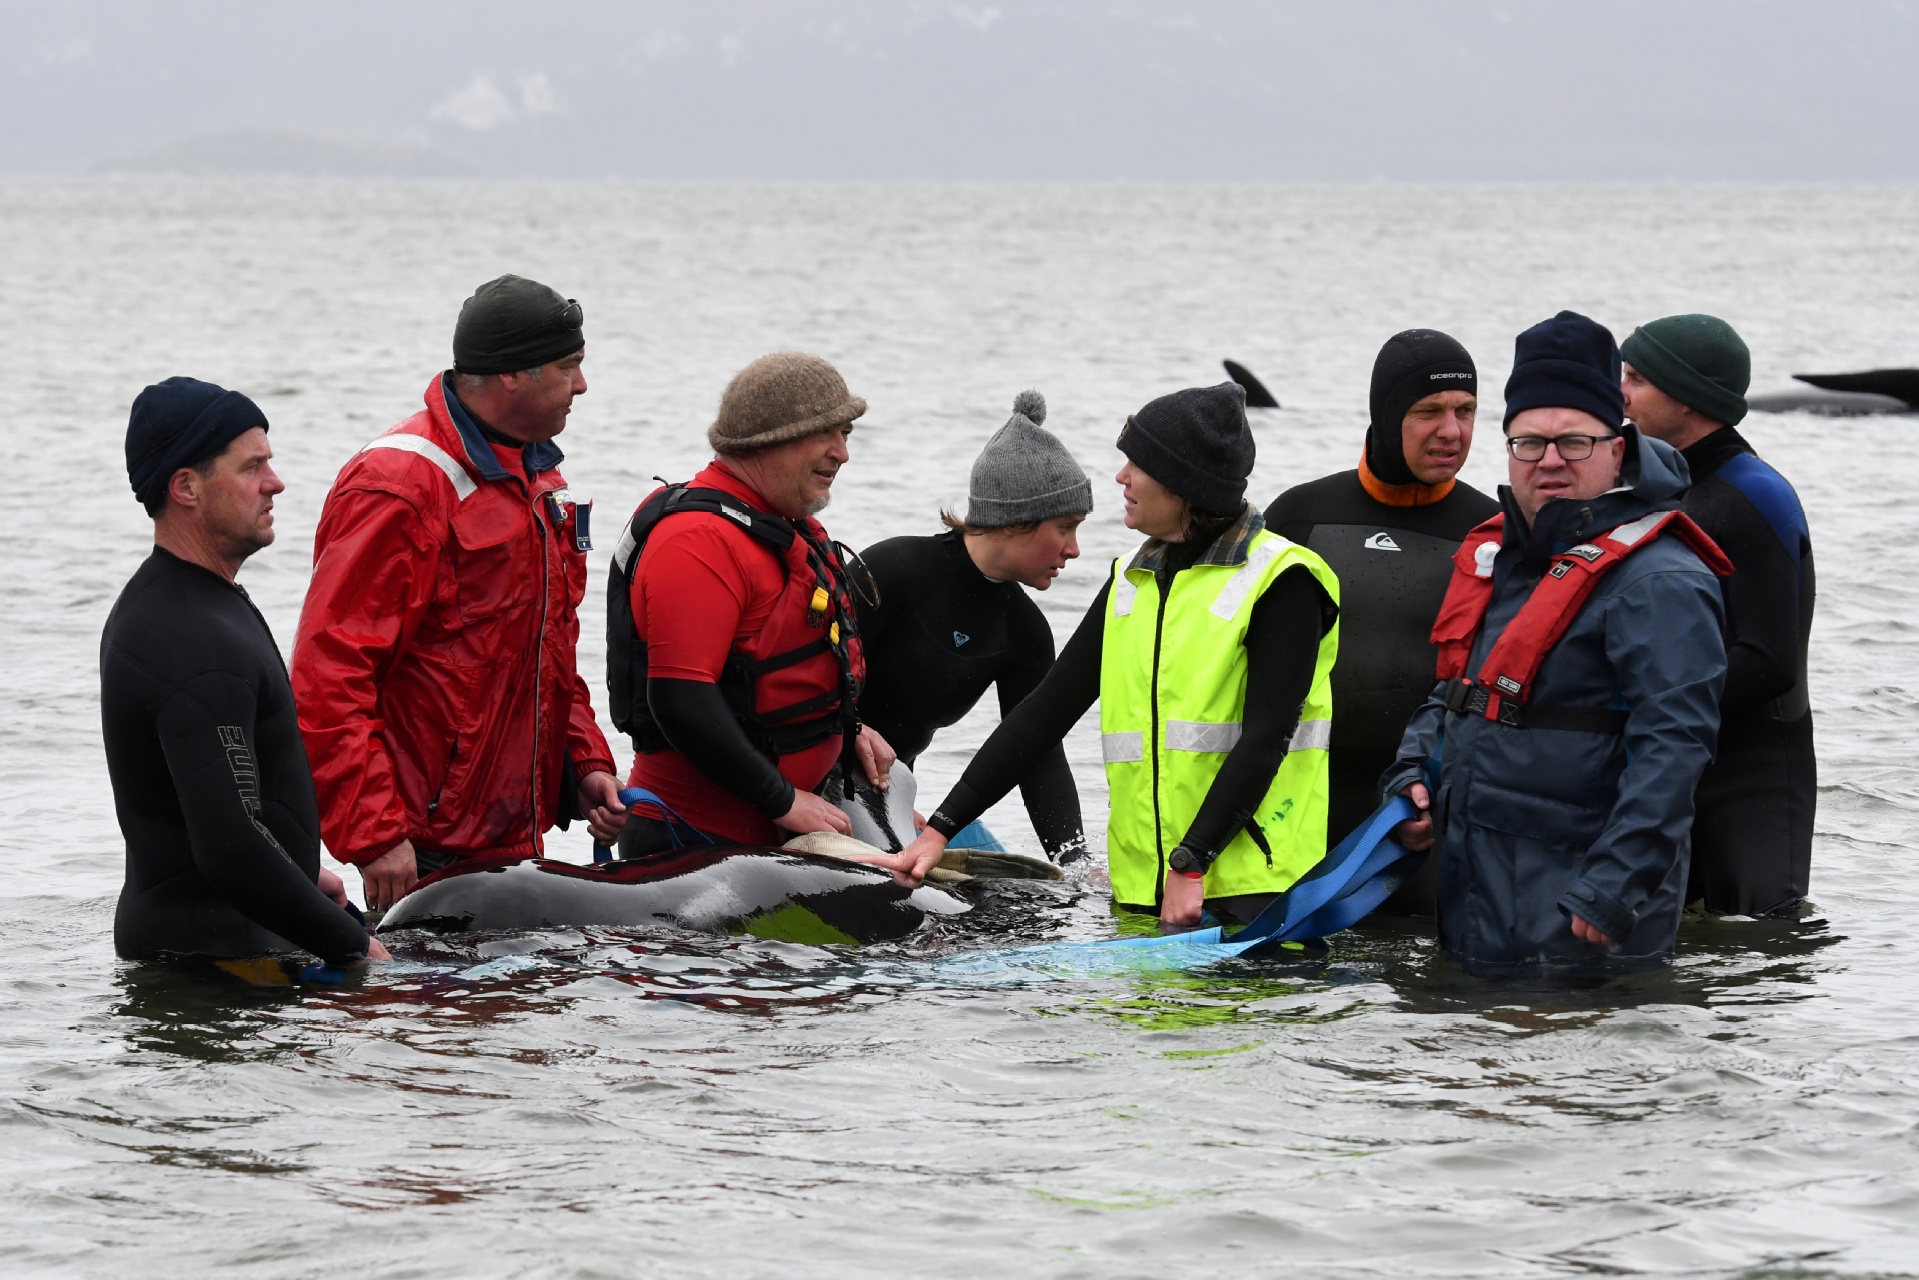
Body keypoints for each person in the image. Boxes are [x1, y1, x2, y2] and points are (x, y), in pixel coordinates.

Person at [890, 383, 1341, 928]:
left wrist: (1192, 861)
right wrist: (941, 828)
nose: (1121, 478)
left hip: (1253, 891)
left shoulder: (1283, 580)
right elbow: (1044, 713)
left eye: (1137, 464)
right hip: (1144, 889)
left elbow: (1268, 735)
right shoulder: (1132, 577)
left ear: (1184, 482)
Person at [1386, 312, 1731, 969]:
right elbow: (1456, 693)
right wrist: (1409, 773)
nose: (1547, 461)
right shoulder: (1504, 558)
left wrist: (1613, 887)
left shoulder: (1659, 581)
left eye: (1572, 441)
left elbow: (1675, 745)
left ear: (1616, 448)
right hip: (1477, 895)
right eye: (1527, 442)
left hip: (1580, 916)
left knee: (1576, 1070)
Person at [291, 275, 626, 911]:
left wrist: (585, 764)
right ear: (511, 376)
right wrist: (373, 836)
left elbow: (547, 649)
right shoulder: (399, 485)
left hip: (510, 838)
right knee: (421, 1012)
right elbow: (327, 674)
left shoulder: (534, 472)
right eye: (569, 366)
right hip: (422, 847)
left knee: (518, 1006)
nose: (582, 385)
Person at [105, 378, 386, 969]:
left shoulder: (190, 603)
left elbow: (210, 801)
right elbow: (230, 850)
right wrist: (358, 950)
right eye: (252, 466)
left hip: (227, 938)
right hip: (215, 965)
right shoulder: (192, 637)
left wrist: (302, 868)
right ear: (186, 487)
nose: (274, 482)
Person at [605, 352, 896, 856]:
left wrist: (846, 732)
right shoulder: (697, 541)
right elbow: (680, 698)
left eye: (846, 434)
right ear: (769, 439)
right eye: (826, 434)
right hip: (692, 841)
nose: (842, 453)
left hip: (777, 833)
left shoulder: (779, 523)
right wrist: (781, 799)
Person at [1264, 330, 1499, 910]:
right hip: (1303, 811)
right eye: (1429, 412)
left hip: (1425, 813)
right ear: (1388, 415)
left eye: (1466, 410)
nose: (1452, 430)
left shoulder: (1492, 532)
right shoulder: (1302, 516)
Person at [1621, 315, 1816, 918]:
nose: (1619, 393)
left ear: (1688, 394)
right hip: (1679, 761)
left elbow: (1769, 661)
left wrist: (1649, 714)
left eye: (1635, 378)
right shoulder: (1666, 491)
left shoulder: (1755, 494)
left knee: (1752, 958)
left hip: (1752, 774)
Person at [857, 391, 1089, 861]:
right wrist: (849, 730)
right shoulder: (893, 569)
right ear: (1015, 519)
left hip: (889, 795)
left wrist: (1076, 863)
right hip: (814, 779)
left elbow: (1037, 754)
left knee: (1014, 894)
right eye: (1065, 527)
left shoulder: (1024, 631)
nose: (1075, 548)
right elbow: (801, 680)